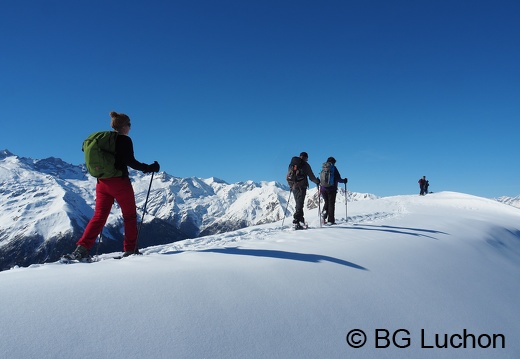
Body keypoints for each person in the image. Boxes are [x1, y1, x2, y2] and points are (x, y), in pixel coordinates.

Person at [64, 112, 160, 260]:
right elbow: (131, 162)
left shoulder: (103, 140)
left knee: (99, 216)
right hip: (119, 183)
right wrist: (149, 167)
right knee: (129, 216)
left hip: (102, 183)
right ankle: (130, 250)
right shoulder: (124, 140)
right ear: (124, 126)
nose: (130, 127)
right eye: (129, 124)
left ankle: (81, 250)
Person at [287, 152, 320, 229]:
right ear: (305, 157)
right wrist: (317, 181)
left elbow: (289, 175)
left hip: (293, 186)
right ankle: (296, 221)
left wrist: (291, 185)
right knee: (300, 204)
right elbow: (311, 177)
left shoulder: (292, 164)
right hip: (302, 186)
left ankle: (301, 220)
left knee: (298, 203)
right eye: (307, 158)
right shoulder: (305, 165)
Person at [320, 157, 348, 225]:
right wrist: (344, 180)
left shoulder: (323, 168)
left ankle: (323, 218)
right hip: (331, 189)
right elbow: (338, 178)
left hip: (323, 189)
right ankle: (331, 220)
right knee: (331, 204)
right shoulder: (333, 168)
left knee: (326, 203)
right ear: (333, 162)